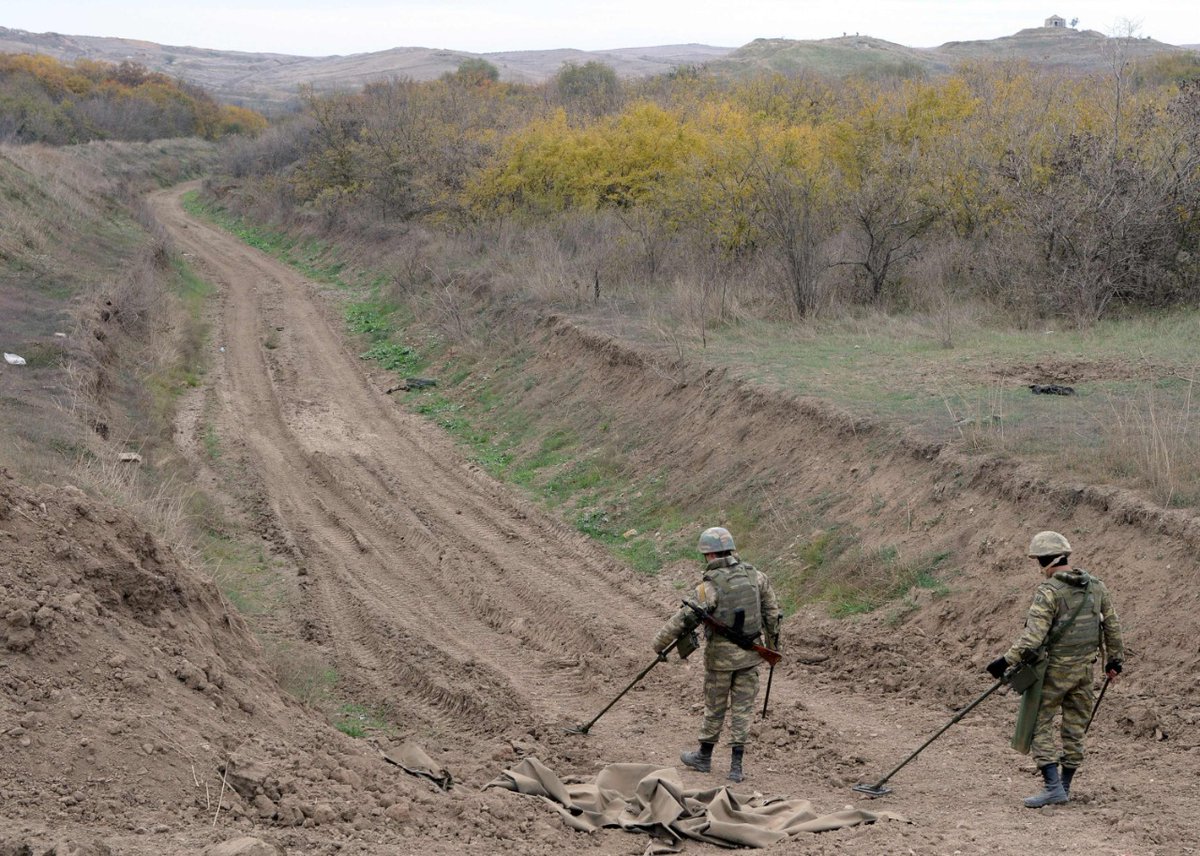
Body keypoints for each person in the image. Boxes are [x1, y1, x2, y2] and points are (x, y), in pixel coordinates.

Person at [986, 530, 1124, 808]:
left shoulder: (1048, 592)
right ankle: (1064, 785)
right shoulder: (1096, 586)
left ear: (1044, 561)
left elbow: (1032, 639)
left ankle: (1053, 787)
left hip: (1053, 673)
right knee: (1076, 728)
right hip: (1085, 672)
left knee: (1038, 724)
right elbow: (1112, 627)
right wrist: (1114, 661)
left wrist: (1004, 661)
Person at [651, 526, 781, 783]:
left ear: (709, 556)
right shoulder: (758, 577)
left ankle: (704, 757)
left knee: (715, 708)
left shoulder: (708, 587)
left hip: (720, 661)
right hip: (751, 656)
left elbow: (684, 619)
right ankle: (736, 767)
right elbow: (772, 615)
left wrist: (660, 643)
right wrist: (773, 648)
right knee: (743, 709)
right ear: (731, 550)